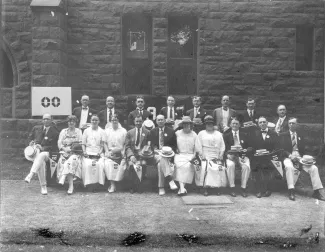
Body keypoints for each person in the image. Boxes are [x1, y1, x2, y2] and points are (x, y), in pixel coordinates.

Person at [279, 117, 325, 201]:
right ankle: (291, 190)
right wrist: (290, 155)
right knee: (289, 167)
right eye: (290, 123)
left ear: (297, 125)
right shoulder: (283, 135)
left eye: (293, 123)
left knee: (314, 168)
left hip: (300, 158)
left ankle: (317, 191)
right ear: (288, 124)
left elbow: (304, 149)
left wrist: (306, 157)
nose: (291, 125)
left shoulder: (300, 135)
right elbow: (281, 149)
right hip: (288, 157)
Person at [24, 113, 59, 195]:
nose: (45, 120)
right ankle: (43, 186)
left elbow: (54, 146)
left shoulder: (55, 132)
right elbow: (29, 138)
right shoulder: (36, 128)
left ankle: (31, 174)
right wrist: (30, 143)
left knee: (42, 155)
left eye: (47, 119)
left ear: (51, 120)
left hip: (47, 153)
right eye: (44, 119)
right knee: (41, 162)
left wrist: (43, 148)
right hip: (35, 153)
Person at [196, 115, 227, 196]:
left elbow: (222, 146)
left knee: (218, 167)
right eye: (207, 124)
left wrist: (221, 154)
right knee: (206, 167)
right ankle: (205, 187)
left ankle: (217, 187)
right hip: (205, 154)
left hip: (216, 155)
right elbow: (198, 145)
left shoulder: (219, 134)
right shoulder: (201, 133)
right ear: (205, 125)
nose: (209, 125)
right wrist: (201, 154)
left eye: (211, 124)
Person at [148, 114, 178, 195]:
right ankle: (170, 180)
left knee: (159, 165)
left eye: (162, 119)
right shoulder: (153, 131)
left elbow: (174, 145)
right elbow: (151, 145)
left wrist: (169, 151)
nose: (160, 121)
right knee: (161, 158)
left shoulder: (171, 131)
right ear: (156, 121)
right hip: (156, 154)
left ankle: (161, 187)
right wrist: (154, 149)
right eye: (158, 120)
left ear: (165, 121)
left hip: (168, 155)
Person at [223, 118, 252, 197]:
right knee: (230, 165)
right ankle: (232, 188)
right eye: (233, 123)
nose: (235, 125)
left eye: (236, 123)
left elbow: (250, 146)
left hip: (242, 155)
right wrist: (227, 155)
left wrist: (246, 150)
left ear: (239, 125)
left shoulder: (245, 134)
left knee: (246, 166)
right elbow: (223, 148)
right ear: (230, 125)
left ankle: (243, 188)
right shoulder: (226, 135)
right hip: (231, 156)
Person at [251, 116, 279, 198]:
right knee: (256, 167)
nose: (262, 124)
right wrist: (255, 153)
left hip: (269, 157)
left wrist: (271, 154)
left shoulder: (273, 134)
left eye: (264, 122)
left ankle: (267, 189)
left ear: (267, 123)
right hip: (257, 157)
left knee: (268, 167)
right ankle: (258, 190)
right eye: (260, 122)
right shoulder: (255, 134)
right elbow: (252, 147)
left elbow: (277, 147)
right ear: (258, 124)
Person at [56, 115, 83, 193]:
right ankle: (71, 186)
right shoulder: (63, 131)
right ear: (67, 122)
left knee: (72, 159)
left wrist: (72, 149)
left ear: (75, 122)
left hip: (75, 152)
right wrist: (65, 149)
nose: (71, 123)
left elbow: (80, 143)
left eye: (73, 121)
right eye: (70, 121)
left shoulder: (78, 131)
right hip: (65, 152)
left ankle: (63, 176)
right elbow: (59, 143)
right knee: (67, 162)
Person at [81, 114, 107, 191]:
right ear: (90, 121)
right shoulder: (86, 131)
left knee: (99, 165)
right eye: (93, 120)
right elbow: (83, 144)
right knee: (88, 165)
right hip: (87, 152)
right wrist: (84, 152)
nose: (94, 121)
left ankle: (97, 184)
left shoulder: (102, 131)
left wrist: (99, 152)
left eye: (96, 120)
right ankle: (89, 184)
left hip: (98, 153)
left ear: (98, 121)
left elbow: (102, 145)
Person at [125, 116, 151, 193]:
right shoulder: (129, 132)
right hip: (132, 154)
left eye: (140, 121)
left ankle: (140, 185)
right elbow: (127, 146)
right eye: (137, 121)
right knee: (131, 165)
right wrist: (131, 155)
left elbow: (148, 145)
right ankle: (132, 186)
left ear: (142, 122)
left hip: (142, 155)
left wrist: (143, 153)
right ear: (134, 122)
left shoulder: (147, 132)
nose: (138, 123)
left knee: (143, 164)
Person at [174, 116, 199, 196]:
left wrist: (194, 156)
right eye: (184, 124)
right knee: (179, 165)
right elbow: (173, 144)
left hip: (191, 155)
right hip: (180, 155)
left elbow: (196, 147)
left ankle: (181, 188)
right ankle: (182, 188)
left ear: (190, 125)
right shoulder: (177, 133)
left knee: (188, 166)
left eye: (188, 124)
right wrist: (176, 150)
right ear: (182, 125)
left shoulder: (194, 134)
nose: (186, 125)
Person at [103, 114, 127, 193]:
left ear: (118, 120)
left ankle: (118, 182)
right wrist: (107, 151)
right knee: (108, 164)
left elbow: (125, 144)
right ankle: (112, 184)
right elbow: (105, 143)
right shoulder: (107, 130)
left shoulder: (123, 131)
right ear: (110, 121)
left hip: (120, 152)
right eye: (113, 119)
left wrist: (123, 152)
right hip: (110, 152)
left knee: (122, 164)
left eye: (116, 119)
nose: (114, 121)